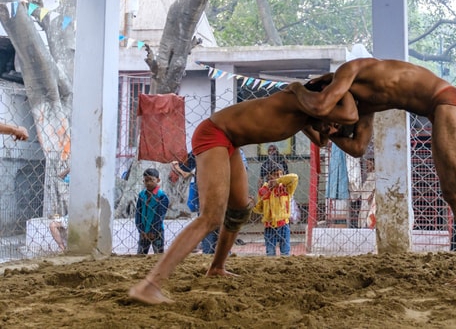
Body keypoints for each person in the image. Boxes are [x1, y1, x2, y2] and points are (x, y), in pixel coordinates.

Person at [285, 57, 456, 301]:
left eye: (329, 123)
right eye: (330, 128)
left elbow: (321, 104)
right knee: (452, 193)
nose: (334, 129)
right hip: (438, 109)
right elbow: (358, 147)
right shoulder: (363, 105)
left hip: (448, 99)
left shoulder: (350, 70)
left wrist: (296, 89)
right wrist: (323, 131)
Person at [128, 85, 358, 304]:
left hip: (231, 142)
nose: (333, 129)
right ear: (325, 104)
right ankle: (150, 284)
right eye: (334, 122)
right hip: (214, 135)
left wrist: (333, 127)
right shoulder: (300, 101)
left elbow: (323, 139)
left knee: (239, 210)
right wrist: (346, 87)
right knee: (211, 217)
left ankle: (217, 267)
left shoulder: (307, 119)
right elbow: (344, 112)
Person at [252, 168, 298, 256]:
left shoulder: (286, 188)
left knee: (285, 252)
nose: (279, 176)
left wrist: (278, 180)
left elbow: (295, 177)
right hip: (269, 226)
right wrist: (252, 206)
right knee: (270, 252)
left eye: (281, 174)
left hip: (283, 224)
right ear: (269, 176)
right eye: (276, 174)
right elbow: (260, 208)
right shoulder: (263, 190)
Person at [135, 168, 170, 255]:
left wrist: (153, 231)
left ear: (158, 180)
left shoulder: (162, 196)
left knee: (158, 255)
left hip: (157, 231)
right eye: (146, 180)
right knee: (140, 254)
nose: (149, 183)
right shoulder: (142, 195)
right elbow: (138, 214)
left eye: (152, 180)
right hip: (143, 230)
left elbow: (160, 216)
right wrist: (141, 230)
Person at [49, 167, 71, 252]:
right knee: (52, 225)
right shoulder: (73, 177)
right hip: (70, 215)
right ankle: (63, 248)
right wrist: (69, 169)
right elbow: (59, 177)